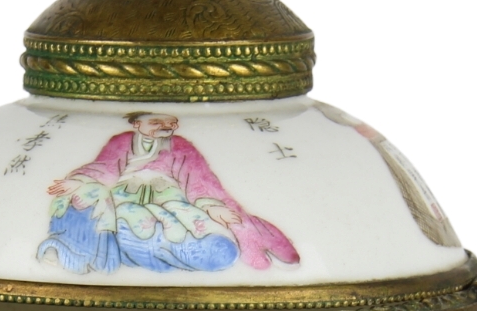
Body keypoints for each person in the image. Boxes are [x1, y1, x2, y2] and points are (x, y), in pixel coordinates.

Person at [39, 113, 298, 274]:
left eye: (170, 122)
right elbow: (104, 168)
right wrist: (79, 181)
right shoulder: (121, 142)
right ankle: (74, 251)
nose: (165, 126)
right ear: (137, 124)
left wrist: (213, 206)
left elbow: (199, 181)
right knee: (90, 198)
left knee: (212, 243)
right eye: (156, 122)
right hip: (123, 199)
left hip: (169, 202)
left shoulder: (181, 146)